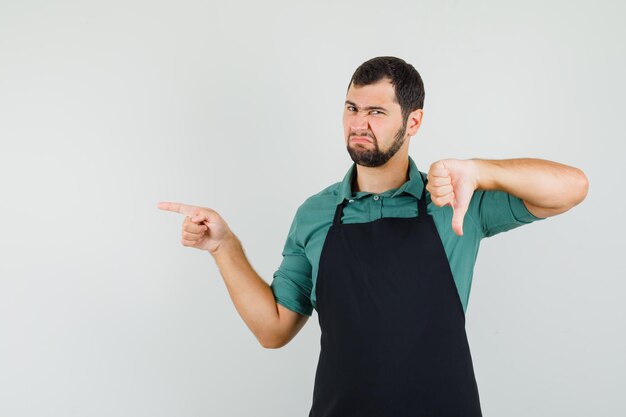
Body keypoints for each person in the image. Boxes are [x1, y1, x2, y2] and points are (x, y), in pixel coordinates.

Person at [157, 56, 589, 416]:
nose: (359, 124)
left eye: (376, 112)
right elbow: (274, 329)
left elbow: (572, 187)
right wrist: (223, 246)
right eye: (351, 108)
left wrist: (482, 171)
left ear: (413, 120)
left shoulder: (455, 199)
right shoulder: (316, 214)